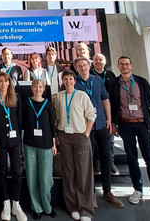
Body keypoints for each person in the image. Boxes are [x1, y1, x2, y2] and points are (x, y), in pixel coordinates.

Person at [108, 56, 150, 211]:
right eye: (121, 64)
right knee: (132, 159)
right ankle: (138, 190)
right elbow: (113, 104)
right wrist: (114, 124)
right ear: (118, 66)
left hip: (142, 124)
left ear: (131, 65)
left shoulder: (141, 82)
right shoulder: (114, 83)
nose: (124, 66)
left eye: (127, 64)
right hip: (125, 125)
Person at [74, 57, 124, 208]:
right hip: (84, 127)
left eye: (85, 65)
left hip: (101, 123)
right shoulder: (74, 83)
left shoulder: (97, 81)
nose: (83, 68)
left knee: (105, 158)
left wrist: (109, 119)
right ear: (76, 68)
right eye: (80, 66)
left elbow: (105, 100)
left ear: (89, 66)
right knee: (87, 160)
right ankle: (91, 194)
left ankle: (107, 191)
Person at [54, 70, 95, 221]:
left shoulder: (82, 95)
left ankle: (85, 210)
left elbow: (91, 115)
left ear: (74, 80)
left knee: (83, 172)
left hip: (80, 136)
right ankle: (72, 206)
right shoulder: (59, 96)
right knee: (68, 172)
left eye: (71, 79)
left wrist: (87, 133)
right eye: (65, 79)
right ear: (62, 81)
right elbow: (58, 117)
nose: (68, 82)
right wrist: (57, 136)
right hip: (64, 136)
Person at [0, 72, 27, 221]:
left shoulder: (17, 98)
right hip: (0, 141)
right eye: (1, 81)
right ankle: (6, 203)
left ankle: (16, 203)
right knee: (2, 169)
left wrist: (20, 141)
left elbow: (19, 121)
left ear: (10, 83)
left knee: (17, 170)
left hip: (15, 141)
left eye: (6, 81)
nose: (4, 84)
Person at [22, 79, 57, 220]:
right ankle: (36, 207)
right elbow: (22, 123)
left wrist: (54, 144)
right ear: (32, 88)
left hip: (46, 145)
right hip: (29, 144)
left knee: (45, 178)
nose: (38, 89)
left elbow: (52, 126)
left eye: (40, 87)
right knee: (32, 177)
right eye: (35, 86)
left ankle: (47, 207)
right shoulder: (26, 103)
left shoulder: (48, 105)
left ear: (44, 89)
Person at [91, 53, 119, 175]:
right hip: (94, 111)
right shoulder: (90, 75)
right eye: (96, 60)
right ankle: (97, 161)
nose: (98, 62)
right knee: (96, 140)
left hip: (108, 110)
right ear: (93, 62)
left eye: (100, 59)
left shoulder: (110, 75)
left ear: (105, 61)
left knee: (110, 139)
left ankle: (110, 162)